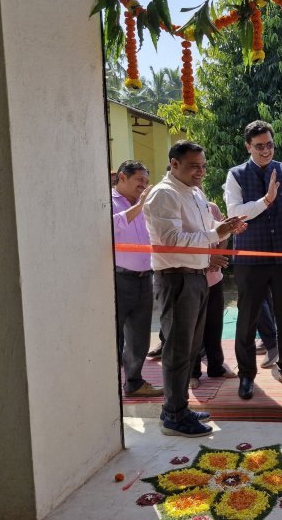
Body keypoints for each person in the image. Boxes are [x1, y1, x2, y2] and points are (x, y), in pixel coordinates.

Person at [144, 140, 247, 437]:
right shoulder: (164, 194)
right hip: (177, 278)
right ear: (174, 164)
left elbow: (202, 234)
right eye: (193, 166)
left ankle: (179, 407)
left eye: (203, 165)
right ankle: (173, 416)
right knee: (178, 349)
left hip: (197, 275)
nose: (200, 171)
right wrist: (218, 231)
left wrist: (221, 233)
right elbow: (172, 239)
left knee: (189, 348)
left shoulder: (194, 192)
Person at [224, 120, 282, 400]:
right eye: (259, 146)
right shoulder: (235, 175)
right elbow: (235, 212)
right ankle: (247, 376)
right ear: (248, 146)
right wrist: (266, 200)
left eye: (269, 144)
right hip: (250, 258)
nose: (266, 150)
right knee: (247, 318)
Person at [111, 160, 163, 397]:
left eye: (145, 180)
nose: (143, 185)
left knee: (139, 335)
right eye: (138, 180)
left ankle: (134, 382)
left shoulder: (145, 204)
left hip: (145, 278)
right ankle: (107, 389)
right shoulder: (107, 201)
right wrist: (139, 206)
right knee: (114, 335)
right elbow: (111, 227)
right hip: (119, 279)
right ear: (122, 177)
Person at [189, 200, 238, 389]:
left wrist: (218, 254)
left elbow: (222, 233)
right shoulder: (179, 206)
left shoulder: (211, 207)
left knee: (215, 324)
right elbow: (181, 240)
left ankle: (216, 366)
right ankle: (192, 373)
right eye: (193, 168)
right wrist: (206, 259)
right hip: (192, 276)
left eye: (201, 169)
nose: (198, 176)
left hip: (214, 277)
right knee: (193, 329)